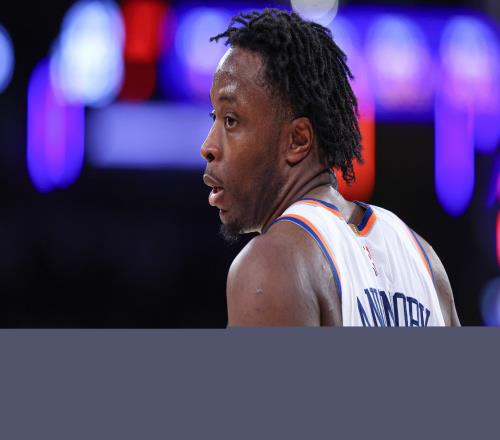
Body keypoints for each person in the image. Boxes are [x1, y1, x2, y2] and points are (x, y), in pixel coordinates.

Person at [200, 9, 460, 326]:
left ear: (298, 140)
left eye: (230, 120)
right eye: (214, 118)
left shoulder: (271, 264)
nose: (208, 146)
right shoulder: (425, 262)